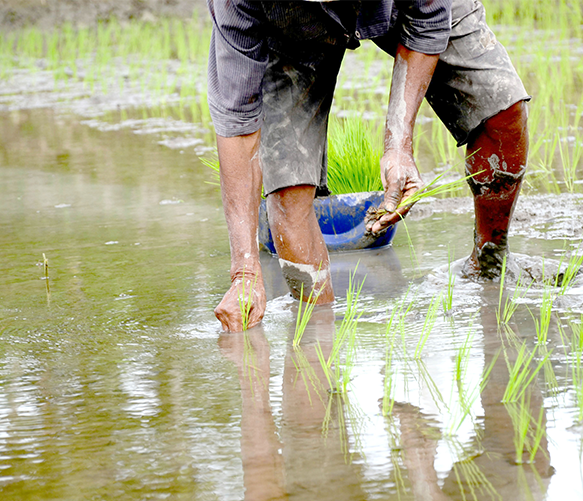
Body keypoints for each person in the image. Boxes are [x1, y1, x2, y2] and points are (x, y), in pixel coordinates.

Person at [207, 0, 530, 332]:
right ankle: (317, 337)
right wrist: (245, 272)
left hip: (404, 5)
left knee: (501, 108)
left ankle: (489, 262)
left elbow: (428, 19)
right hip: (289, 31)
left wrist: (398, 145)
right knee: (289, 195)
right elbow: (238, 122)